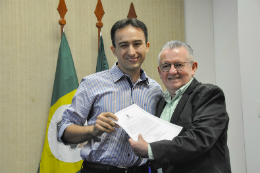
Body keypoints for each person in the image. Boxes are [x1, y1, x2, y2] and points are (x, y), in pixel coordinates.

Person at [57, 18, 163, 173]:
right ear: (113, 50)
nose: (131, 51)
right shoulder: (91, 83)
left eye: (137, 44)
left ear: (146, 47)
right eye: (124, 45)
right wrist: (92, 130)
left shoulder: (156, 90)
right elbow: (64, 132)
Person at [129, 40, 231, 173]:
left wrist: (150, 150)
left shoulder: (208, 94)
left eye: (178, 65)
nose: (172, 71)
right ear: (160, 72)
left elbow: (200, 138)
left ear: (193, 67)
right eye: (166, 66)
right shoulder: (160, 102)